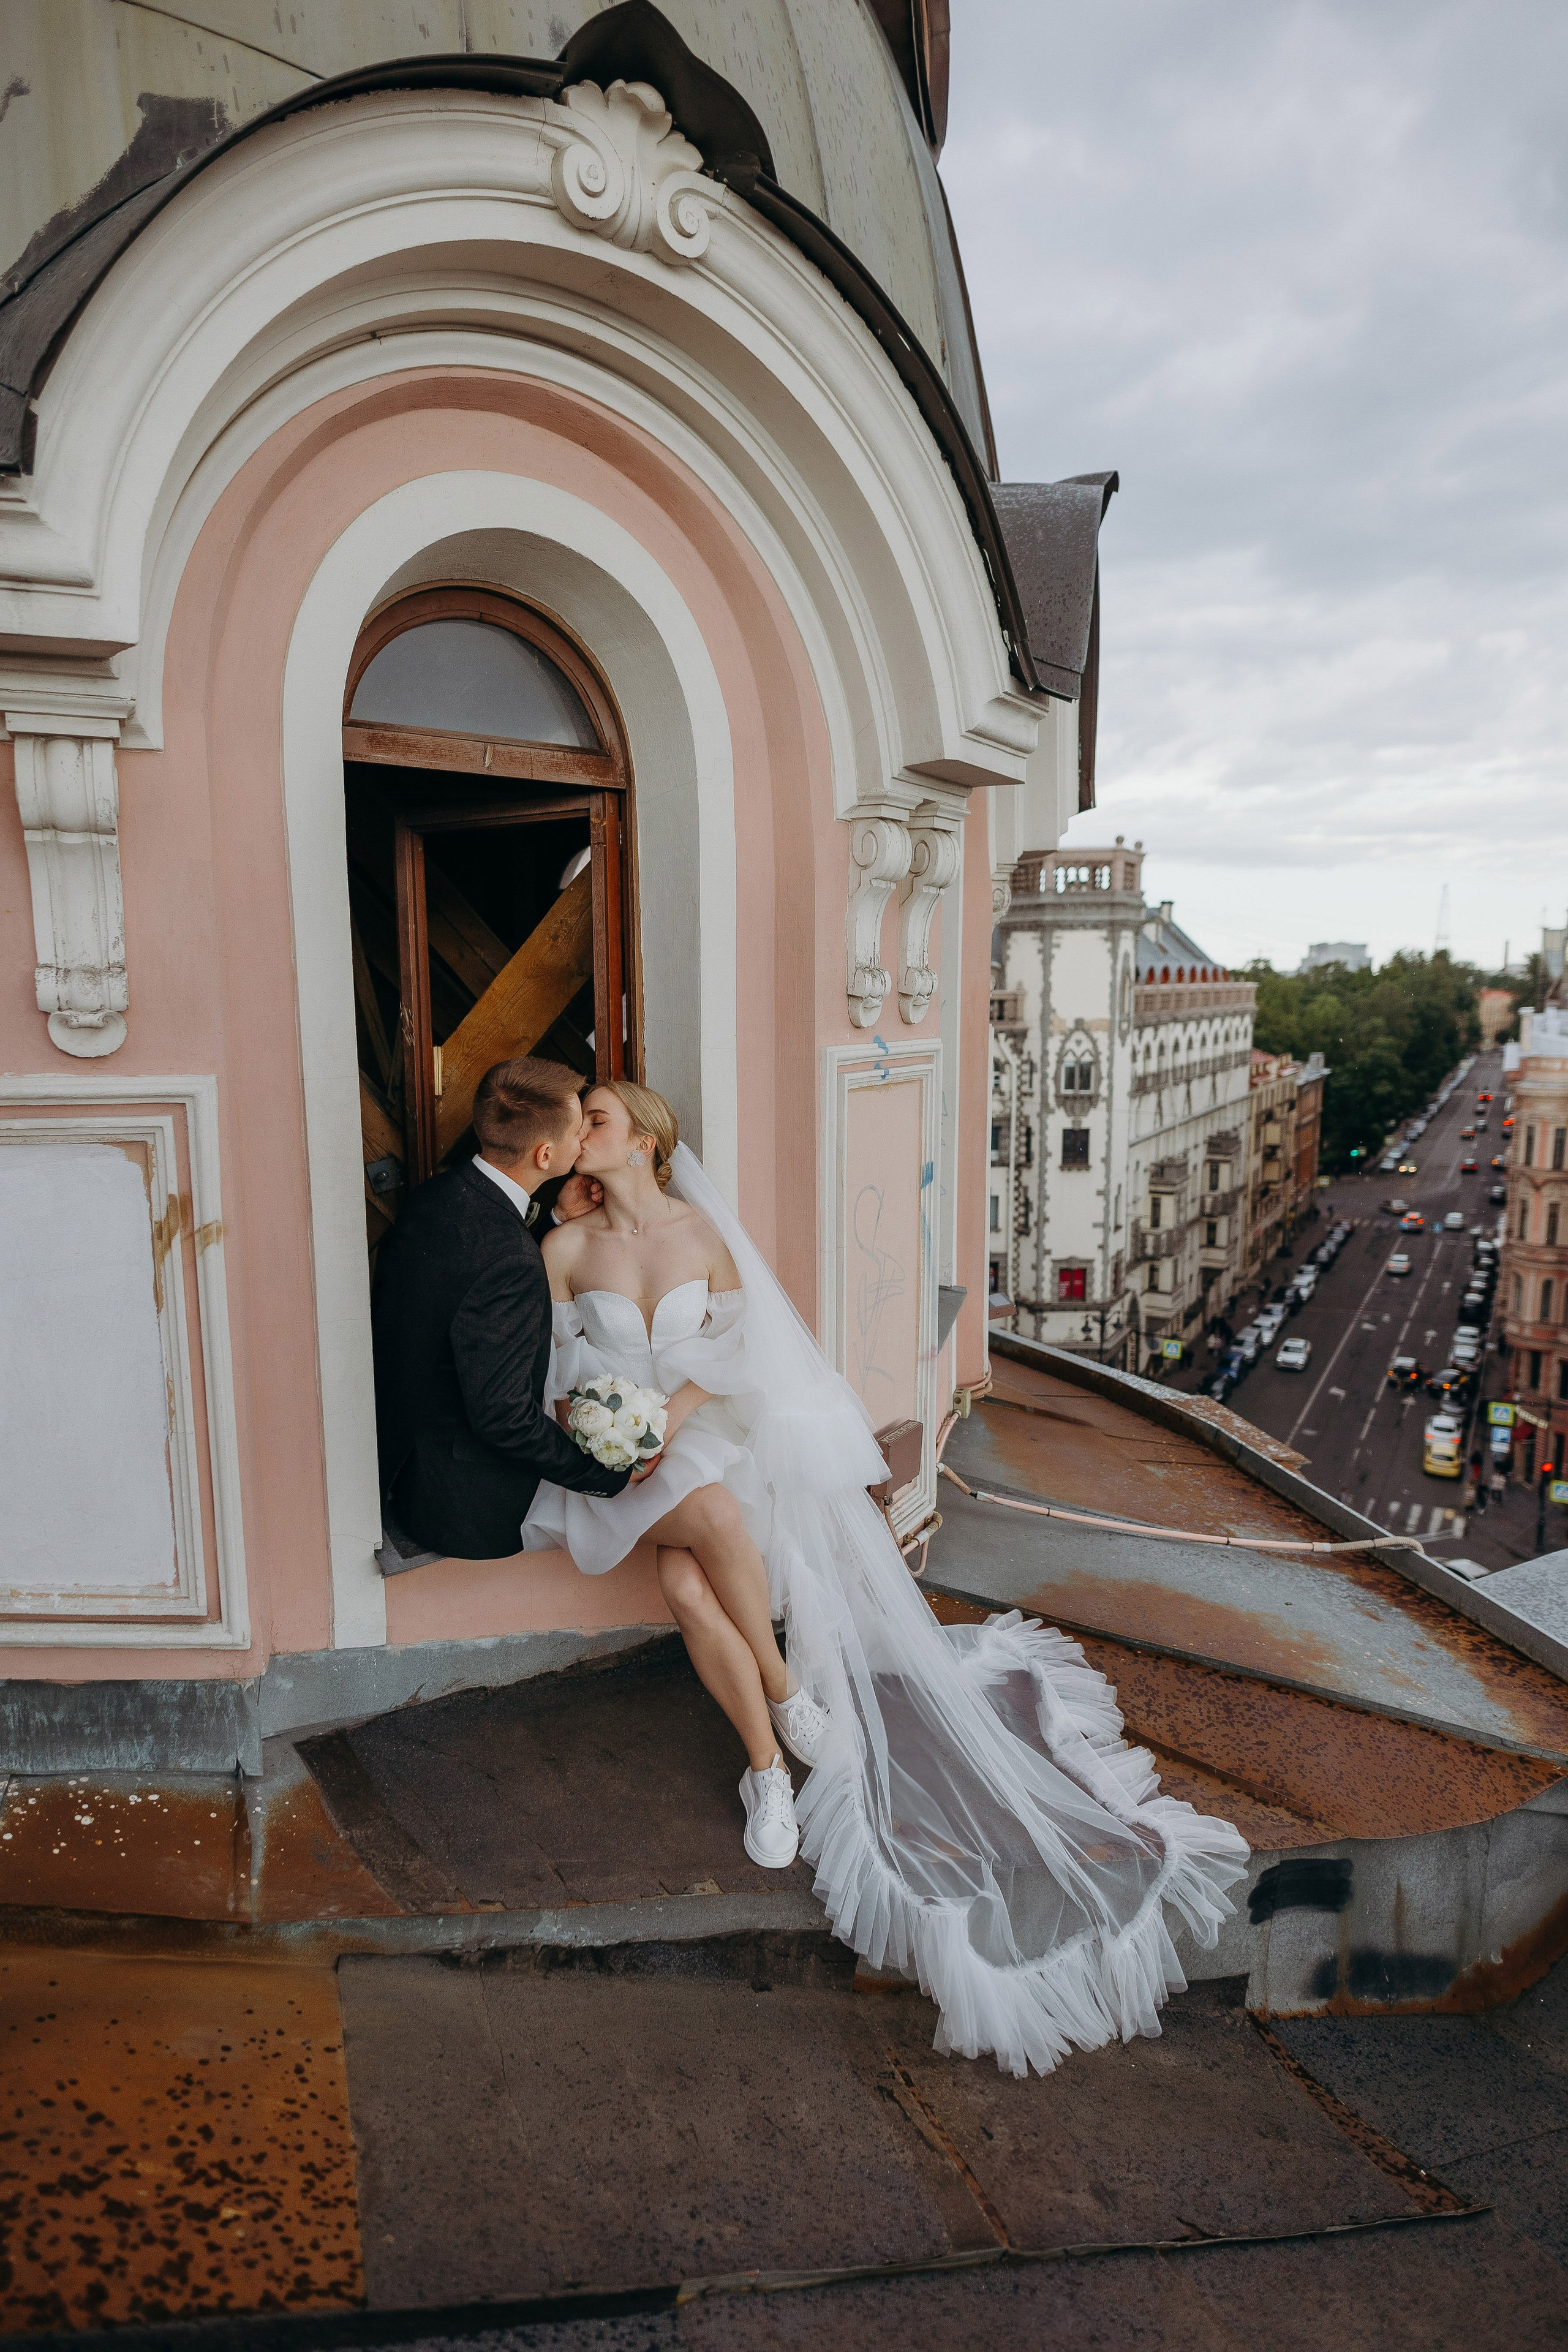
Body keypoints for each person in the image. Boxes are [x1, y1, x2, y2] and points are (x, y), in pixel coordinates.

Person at [524, 1079, 1249, 2078]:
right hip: (627, 1467)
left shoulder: (704, 1233)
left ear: (646, 1137)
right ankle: (784, 1697)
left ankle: (767, 1770)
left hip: (708, 1442)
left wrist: (672, 1416)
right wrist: (611, 1430)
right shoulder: (564, 1250)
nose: (579, 1131)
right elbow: (556, 1377)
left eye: (596, 1116)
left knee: (692, 1591)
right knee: (715, 1522)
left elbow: (747, 1351)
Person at [371, 1057, 646, 1566]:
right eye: (576, 1131)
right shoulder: (510, 1260)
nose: (584, 1138)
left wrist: (557, 1217)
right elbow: (504, 1418)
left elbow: (472, 1278)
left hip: (401, 1458)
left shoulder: (438, 1196)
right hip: (461, 1501)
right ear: (546, 1154)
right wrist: (606, 1476)